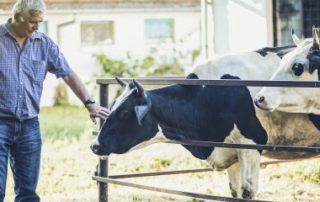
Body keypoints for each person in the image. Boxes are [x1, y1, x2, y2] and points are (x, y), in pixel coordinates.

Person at [0, 0, 109, 201]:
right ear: (18, 18)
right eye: (33, 22)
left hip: (29, 126)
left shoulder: (44, 43)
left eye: (40, 22)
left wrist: (90, 103)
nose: (37, 27)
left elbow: (67, 74)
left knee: (28, 193)